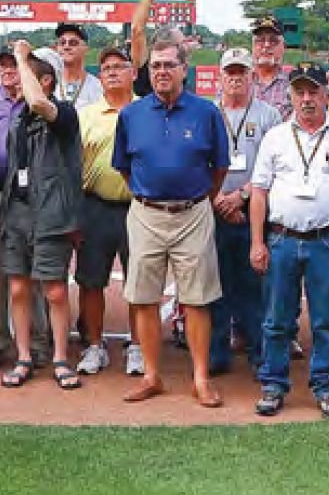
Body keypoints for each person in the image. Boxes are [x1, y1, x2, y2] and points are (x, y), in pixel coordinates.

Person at [112, 39, 229, 406]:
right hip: (146, 213)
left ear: (184, 70)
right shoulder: (131, 115)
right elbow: (124, 167)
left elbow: (220, 167)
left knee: (197, 300)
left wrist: (198, 200)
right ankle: (151, 375)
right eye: (156, 66)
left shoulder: (206, 112)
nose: (162, 72)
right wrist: (148, 196)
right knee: (144, 298)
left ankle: (200, 377)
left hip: (193, 213)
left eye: (168, 65)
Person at [248, 62, 329, 418]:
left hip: (327, 242)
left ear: (326, 94)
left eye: (313, 91)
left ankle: (327, 386)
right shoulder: (276, 137)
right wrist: (257, 241)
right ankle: (273, 383)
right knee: (277, 318)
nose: (307, 98)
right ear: (291, 96)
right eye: (299, 92)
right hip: (281, 238)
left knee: (327, 319)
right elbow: (259, 191)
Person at [0, 40, 83, 390]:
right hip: (18, 212)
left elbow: (37, 102)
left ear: (46, 80)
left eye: (27, 71)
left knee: (55, 290)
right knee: (17, 288)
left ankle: (61, 357)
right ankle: (24, 357)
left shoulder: (63, 113)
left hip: (51, 214)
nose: (18, 75)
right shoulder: (20, 119)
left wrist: (21, 55)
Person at [0, 46, 49, 370]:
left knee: (32, 271)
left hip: (28, 195)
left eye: (13, 65)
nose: (7, 70)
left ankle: (36, 341)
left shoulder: (36, 102)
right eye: (2, 65)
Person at [208, 48, 285, 374]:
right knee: (216, 284)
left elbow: (276, 165)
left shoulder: (269, 116)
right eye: (230, 72)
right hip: (213, 210)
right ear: (221, 76)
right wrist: (218, 198)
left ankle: (259, 352)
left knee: (256, 287)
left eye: (242, 72)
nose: (236, 78)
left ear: (252, 76)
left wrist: (240, 196)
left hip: (255, 212)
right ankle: (216, 352)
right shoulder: (208, 112)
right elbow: (199, 161)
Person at [74, 45, 140, 377]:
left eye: (120, 66)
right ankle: (94, 345)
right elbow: (74, 167)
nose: (112, 71)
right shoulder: (85, 115)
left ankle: (139, 346)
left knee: (140, 281)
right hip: (95, 206)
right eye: (106, 67)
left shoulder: (148, 111)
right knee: (91, 280)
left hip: (140, 208)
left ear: (134, 72)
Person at [52, 23, 103, 108]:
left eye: (73, 43)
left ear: (85, 48)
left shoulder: (98, 87)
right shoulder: (48, 84)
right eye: (62, 43)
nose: (66, 47)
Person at [249, 17, 291, 119]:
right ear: (253, 46)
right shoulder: (238, 81)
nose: (266, 45)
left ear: (283, 47)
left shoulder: (294, 83)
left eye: (273, 41)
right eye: (260, 40)